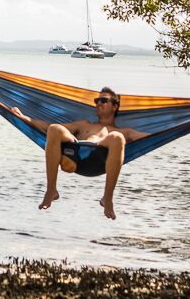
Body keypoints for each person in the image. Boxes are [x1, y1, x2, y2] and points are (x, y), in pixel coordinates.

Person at [12, 87, 146, 220]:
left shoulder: (124, 131)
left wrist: (168, 129)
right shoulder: (84, 124)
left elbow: (151, 136)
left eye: (104, 100)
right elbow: (47, 127)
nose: (99, 103)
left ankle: (107, 198)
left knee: (117, 137)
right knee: (54, 128)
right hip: (76, 152)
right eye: (97, 100)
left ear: (115, 106)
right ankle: (51, 190)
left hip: (101, 159)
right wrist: (23, 117)